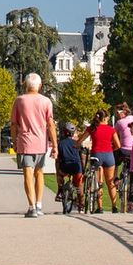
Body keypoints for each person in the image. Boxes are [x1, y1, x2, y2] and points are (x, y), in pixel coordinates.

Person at [11, 72, 55, 217]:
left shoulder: (19, 101)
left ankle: (31, 207)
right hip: (41, 142)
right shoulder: (46, 101)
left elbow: (14, 124)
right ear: (40, 86)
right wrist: (54, 144)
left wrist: (14, 141)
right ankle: (39, 205)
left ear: (25, 85)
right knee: (39, 172)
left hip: (25, 141)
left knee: (28, 174)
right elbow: (50, 124)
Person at [88, 108, 121, 213]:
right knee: (110, 182)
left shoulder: (92, 128)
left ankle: (100, 207)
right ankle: (114, 206)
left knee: (99, 182)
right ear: (106, 118)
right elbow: (118, 145)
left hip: (96, 155)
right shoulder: (111, 129)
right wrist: (111, 149)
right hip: (109, 155)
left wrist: (76, 145)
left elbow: (80, 141)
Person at [54, 123, 87, 212]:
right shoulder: (77, 143)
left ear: (64, 132)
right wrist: (83, 170)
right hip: (76, 167)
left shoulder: (60, 144)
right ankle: (81, 202)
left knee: (59, 173)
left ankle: (60, 190)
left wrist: (57, 170)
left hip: (65, 167)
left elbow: (58, 159)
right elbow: (82, 158)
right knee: (79, 185)